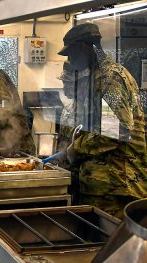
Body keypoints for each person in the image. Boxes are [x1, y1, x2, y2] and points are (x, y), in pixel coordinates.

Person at [58, 23, 147, 218]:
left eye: (71, 54)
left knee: (111, 245)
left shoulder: (111, 78)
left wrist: (76, 148)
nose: (71, 61)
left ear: (84, 47)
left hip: (118, 186)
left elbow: (116, 131)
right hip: (104, 186)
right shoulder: (97, 77)